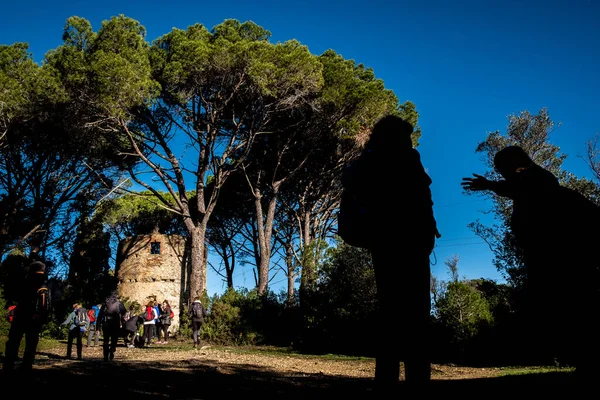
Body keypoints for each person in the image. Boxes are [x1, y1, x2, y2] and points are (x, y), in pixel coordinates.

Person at [462, 145, 600, 381]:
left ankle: (589, 361)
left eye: (501, 168)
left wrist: (490, 185)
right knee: (569, 305)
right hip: (551, 255)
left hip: (561, 256)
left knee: (574, 303)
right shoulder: (531, 179)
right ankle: (585, 360)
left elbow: (519, 186)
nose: (501, 173)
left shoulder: (533, 178)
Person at [349, 115, 439, 385]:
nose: (410, 140)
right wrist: (427, 230)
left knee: (390, 311)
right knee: (416, 315)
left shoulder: (369, 158)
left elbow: (424, 193)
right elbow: (423, 194)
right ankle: (417, 380)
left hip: (385, 242)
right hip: (407, 242)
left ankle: (387, 380)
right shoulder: (404, 157)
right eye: (406, 135)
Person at [2, 260, 50, 373]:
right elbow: (44, 303)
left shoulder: (26, 281)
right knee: (31, 344)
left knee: (13, 342)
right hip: (34, 318)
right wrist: (41, 315)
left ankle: (8, 366)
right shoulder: (44, 283)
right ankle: (26, 366)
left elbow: (15, 295)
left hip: (22, 315)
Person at [97, 291, 126, 361]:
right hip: (115, 323)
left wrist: (97, 327)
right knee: (114, 339)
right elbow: (124, 312)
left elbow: (100, 316)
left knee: (106, 340)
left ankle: (105, 355)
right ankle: (112, 349)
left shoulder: (105, 304)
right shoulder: (119, 303)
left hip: (106, 323)